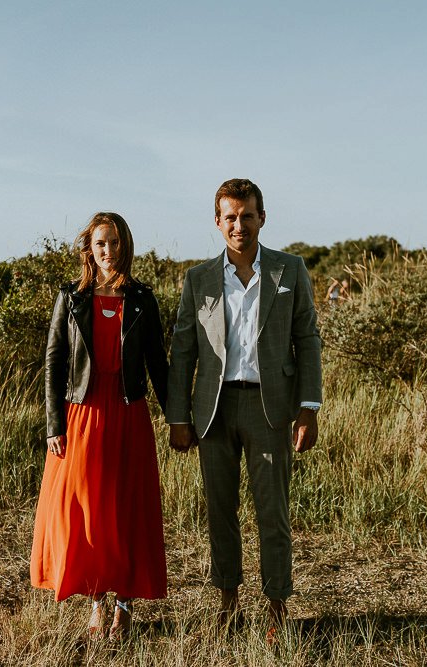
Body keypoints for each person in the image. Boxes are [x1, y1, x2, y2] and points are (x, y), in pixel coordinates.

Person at [167, 179, 323, 635]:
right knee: (221, 511)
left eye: (247, 215)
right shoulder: (198, 279)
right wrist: (178, 417)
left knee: (272, 511)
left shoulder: (289, 270)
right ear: (218, 222)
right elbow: (183, 351)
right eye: (230, 217)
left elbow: (307, 339)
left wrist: (308, 407)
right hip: (214, 410)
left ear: (262, 218)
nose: (240, 225)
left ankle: (276, 607)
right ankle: (228, 602)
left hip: (270, 407)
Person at [30, 212, 169, 640]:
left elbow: (158, 366)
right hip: (82, 414)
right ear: (90, 250)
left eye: (114, 243)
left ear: (125, 245)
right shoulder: (70, 297)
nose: (108, 251)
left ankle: (123, 605)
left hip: (128, 414)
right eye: (100, 244)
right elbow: (54, 362)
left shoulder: (143, 298)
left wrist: (178, 419)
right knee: (87, 513)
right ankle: (95, 600)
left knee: (125, 511)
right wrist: (54, 424)